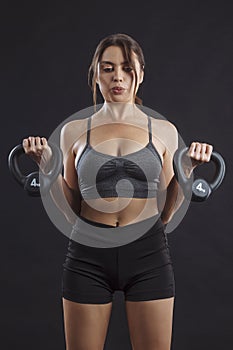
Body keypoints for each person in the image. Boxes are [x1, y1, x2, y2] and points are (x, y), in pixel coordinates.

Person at [22, 33, 213, 350]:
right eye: (108, 68)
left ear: (140, 73)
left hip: (148, 253)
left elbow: (166, 214)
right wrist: (46, 167)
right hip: (88, 255)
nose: (118, 77)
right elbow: (70, 210)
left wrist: (188, 170)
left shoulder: (163, 129)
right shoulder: (74, 130)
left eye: (126, 67)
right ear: (95, 73)